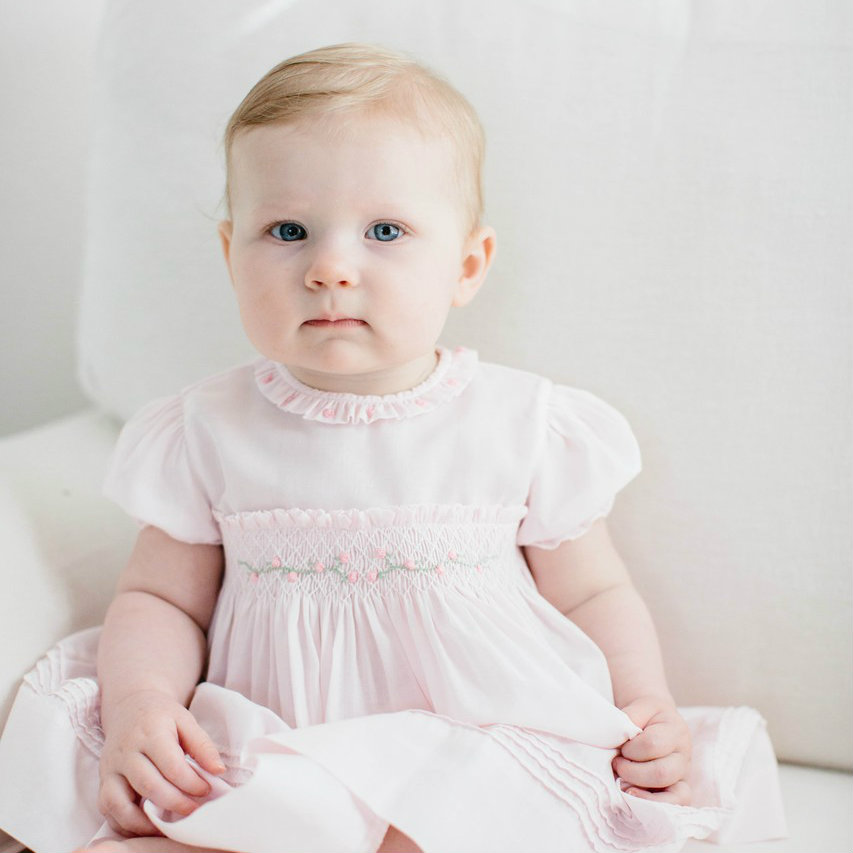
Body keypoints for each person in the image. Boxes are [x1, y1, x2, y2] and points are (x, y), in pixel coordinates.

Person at [0, 43, 784, 853]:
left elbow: (590, 593)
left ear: (467, 264)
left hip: (471, 738)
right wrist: (141, 701)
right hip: (276, 740)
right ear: (231, 255)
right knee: (163, 811)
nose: (330, 268)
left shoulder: (521, 422)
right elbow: (162, 599)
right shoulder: (207, 428)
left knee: (455, 828)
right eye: (287, 230)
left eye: (385, 230)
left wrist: (643, 699)